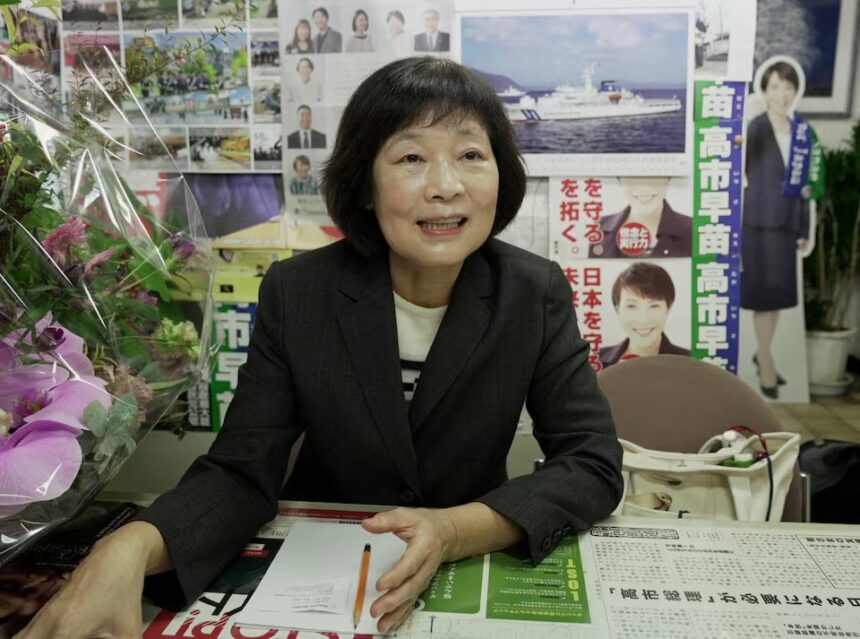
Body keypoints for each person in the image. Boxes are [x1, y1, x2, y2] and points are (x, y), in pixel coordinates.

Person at [19, 57, 622, 638]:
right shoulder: (299, 292)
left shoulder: (532, 290)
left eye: (470, 155)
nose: (445, 186)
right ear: (364, 184)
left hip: (470, 559)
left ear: (501, 174)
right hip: (320, 570)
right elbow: (240, 471)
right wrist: (127, 547)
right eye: (411, 157)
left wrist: (453, 531)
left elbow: (590, 462)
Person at [742, 60, 810, 399]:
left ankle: (762, 351)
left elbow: (806, 184)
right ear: (764, 90)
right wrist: (746, 117)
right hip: (757, 223)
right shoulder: (755, 127)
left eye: (788, 87)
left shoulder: (801, 130)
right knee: (762, 295)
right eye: (774, 87)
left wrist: (805, 226)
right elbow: (736, 162)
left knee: (778, 298)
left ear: (796, 91)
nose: (782, 94)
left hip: (786, 224)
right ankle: (766, 360)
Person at [599, 262, 689, 369]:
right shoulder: (594, 362)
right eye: (632, 306)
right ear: (617, 309)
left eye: (654, 306)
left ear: (668, 308)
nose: (643, 320)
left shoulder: (691, 363)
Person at [590, 177, 692, 258]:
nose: (644, 188)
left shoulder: (694, 229)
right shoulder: (595, 230)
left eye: (654, 176)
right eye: (633, 177)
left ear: (668, 179)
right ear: (620, 180)